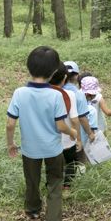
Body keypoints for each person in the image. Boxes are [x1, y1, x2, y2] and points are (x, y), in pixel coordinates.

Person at [6, 46, 77, 221]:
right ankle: (53, 220)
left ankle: (32, 211)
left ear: (29, 68)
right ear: (54, 71)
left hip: (30, 149)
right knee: (55, 181)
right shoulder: (55, 95)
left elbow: (10, 124)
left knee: (31, 180)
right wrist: (72, 133)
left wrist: (11, 143)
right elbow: (60, 126)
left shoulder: (19, 93)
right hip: (53, 149)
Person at [49, 63, 82, 191]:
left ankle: (52, 186)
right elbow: (75, 119)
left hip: (50, 140)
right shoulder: (69, 94)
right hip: (68, 139)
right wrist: (78, 138)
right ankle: (67, 186)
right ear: (64, 78)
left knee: (52, 165)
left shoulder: (42, 95)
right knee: (71, 162)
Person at [63, 61, 95, 163]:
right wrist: (90, 133)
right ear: (77, 76)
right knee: (77, 162)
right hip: (74, 135)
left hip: (58, 133)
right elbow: (82, 118)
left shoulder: (56, 90)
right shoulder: (78, 93)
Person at [80, 77, 100, 147]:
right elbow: (92, 132)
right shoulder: (91, 110)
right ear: (90, 95)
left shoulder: (73, 99)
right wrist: (91, 134)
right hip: (84, 143)